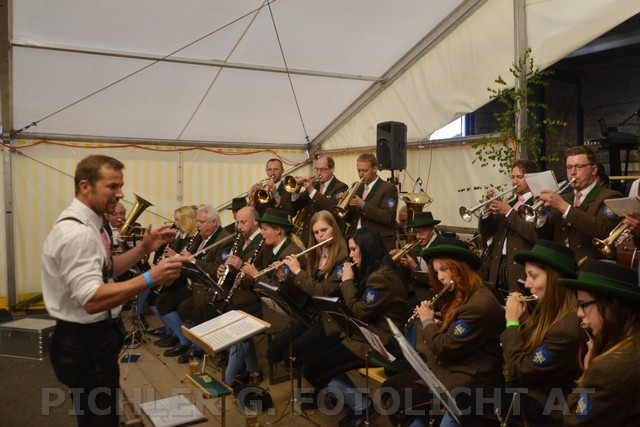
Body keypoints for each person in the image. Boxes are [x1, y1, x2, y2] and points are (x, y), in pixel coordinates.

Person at [41, 154, 187, 427]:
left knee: (103, 413)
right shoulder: (77, 233)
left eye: (120, 185)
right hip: (85, 341)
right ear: (85, 186)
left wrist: (144, 248)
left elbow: (107, 270)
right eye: (112, 186)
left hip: (94, 338)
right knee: (99, 419)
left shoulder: (93, 224)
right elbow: (91, 300)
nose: (120, 194)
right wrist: (150, 278)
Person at [383, 238, 504, 427]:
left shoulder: (479, 304)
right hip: (452, 367)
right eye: (437, 271)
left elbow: (444, 347)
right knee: (389, 388)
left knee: (400, 400)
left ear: (460, 268)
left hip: (472, 378)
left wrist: (427, 322)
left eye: (444, 269)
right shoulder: (461, 295)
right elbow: (458, 335)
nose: (439, 277)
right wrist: (439, 324)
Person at [302, 227, 407, 427]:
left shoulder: (381, 277)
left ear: (366, 249)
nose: (350, 255)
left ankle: (362, 406)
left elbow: (359, 311)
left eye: (353, 250)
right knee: (313, 352)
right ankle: (356, 403)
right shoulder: (375, 269)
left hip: (379, 343)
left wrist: (347, 281)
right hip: (363, 334)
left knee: (313, 371)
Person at [498, 239, 583, 424]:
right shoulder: (546, 307)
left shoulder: (567, 328)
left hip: (548, 404)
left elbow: (521, 369)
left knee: (466, 400)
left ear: (553, 279)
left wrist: (511, 323)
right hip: (528, 392)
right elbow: (535, 345)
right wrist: (525, 320)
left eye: (533, 276)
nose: (527, 284)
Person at [224, 208, 306, 387]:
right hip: (269, 303)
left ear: (278, 230)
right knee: (237, 319)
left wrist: (256, 275)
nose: (261, 233)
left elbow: (283, 292)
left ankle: (229, 381)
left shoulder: (291, 253)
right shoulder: (269, 248)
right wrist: (247, 276)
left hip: (285, 310)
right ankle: (253, 371)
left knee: (241, 328)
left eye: (265, 229)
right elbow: (262, 277)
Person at [559, 260, 640, 425]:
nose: (579, 313)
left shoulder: (609, 368)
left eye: (583, 305)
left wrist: (587, 373)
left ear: (611, 305)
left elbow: (572, 419)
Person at [269, 210, 350, 370]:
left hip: (332, 319)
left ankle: (320, 377)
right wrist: (284, 277)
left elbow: (323, 291)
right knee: (276, 349)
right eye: (316, 232)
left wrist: (298, 272)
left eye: (324, 230)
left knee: (294, 354)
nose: (320, 236)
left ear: (334, 229)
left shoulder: (343, 257)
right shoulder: (317, 253)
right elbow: (306, 287)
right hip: (312, 313)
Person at [155, 204, 232, 361]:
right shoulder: (200, 237)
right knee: (165, 302)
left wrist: (192, 261)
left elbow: (216, 268)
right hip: (195, 286)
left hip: (210, 289)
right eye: (197, 221)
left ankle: (198, 347)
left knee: (190, 309)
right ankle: (189, 342)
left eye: (201, 222)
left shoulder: (225, 240)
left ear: (213, 223)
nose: (197, 225)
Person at [538, 146, 623, 261]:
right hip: (560, 264)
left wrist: (563, 207)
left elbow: (603, 230)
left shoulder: (611, 196)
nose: (573, 173)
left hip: (589, 266)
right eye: (569, 167)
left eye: (579, 167)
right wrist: (541, 215)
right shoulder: (564, 198)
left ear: (594, 170)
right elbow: (547, 236)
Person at [479, 159, 539, 297]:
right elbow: (487, 231)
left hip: (519, 266)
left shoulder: (537, 201)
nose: (514, 181)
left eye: (519, 177)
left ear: (530, 178)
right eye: (513, 177)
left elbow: (534, 234)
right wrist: (486, 209)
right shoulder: (511, 202)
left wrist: (509, 212)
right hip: (498, 265)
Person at [345, 153, 399, 251]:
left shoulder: (388, 188)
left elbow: (388, 216)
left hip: (378, 242)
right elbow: (351, 218)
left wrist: (363, 205)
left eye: (365, 170)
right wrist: (345, 204)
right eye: (359, 171)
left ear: (375, 168)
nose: (361, 174)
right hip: (357, 240)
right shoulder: (357, 189)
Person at [290, 155, 349, 243]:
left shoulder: (341, 187)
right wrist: (296, 192)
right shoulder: (314, 184)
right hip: (308, 238)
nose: (318, 173)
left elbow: (332, 208)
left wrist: (311, 190)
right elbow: (296, 207)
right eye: (316, 169)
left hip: (328, 239)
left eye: (322, 169)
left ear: (332, 169)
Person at [392, 211, 442, 304]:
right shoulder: (417, 246)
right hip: (414, 291)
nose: (418, 236)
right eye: (416, 232)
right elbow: (409, 276)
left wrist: (414, 267)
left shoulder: (441, 246)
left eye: (421, 232)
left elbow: (435, 281)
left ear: (432, 229)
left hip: (430, 295)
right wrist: (404, 265)